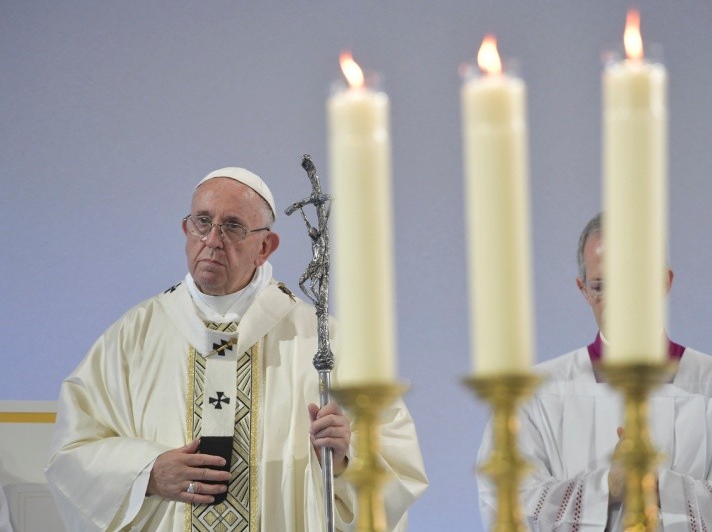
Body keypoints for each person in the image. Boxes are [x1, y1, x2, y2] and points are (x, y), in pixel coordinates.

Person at [45, 167, 428, 531]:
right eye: (202, 222)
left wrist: (344, 461)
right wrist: (147, 472)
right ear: (185, 229)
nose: (212, 240)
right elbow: (73, 452)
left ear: (266, 246)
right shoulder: (134, 337)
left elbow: (397, 467)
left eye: (232, 226)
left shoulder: (324, 342)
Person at [477, 213, 712, 531]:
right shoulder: (534, 395)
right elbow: (501, 507)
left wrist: (661, 486)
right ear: (583, 290)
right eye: (601, 286)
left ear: (664, 283)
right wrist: (606, 488)